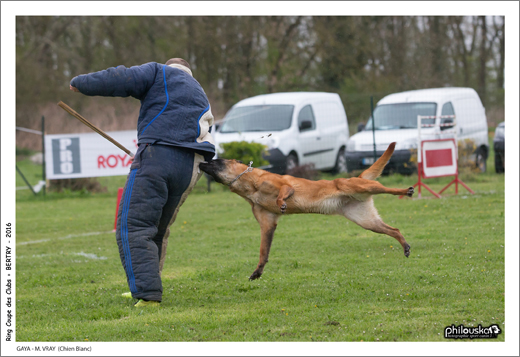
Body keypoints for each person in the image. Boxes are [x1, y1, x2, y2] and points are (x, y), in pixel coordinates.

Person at [70, 58, 215, 307]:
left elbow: (121, 78)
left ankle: (147, 295)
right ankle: (148, 285)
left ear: (171, 66)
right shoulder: (199, 90)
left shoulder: (159, 72)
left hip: (158, 157)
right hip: (192, 166)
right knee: (157, 230)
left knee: (135, 227)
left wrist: (80, 83)